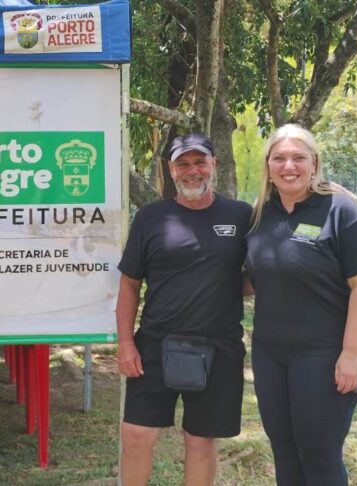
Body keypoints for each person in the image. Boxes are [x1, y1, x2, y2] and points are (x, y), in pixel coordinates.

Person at [245, 124, 357, 485]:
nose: (288, 165)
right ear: (268, 165)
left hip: (325, 355)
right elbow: (254, 278)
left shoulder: (340, 210)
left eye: (298, 157)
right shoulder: (261, 213)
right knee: (286, 455)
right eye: (279, 158)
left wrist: (353, 354)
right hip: (271, 355)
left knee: (319, 457)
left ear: (314, 163)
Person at [116, 133, 252, 485]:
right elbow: (130, 283)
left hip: (219, 346)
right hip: (155, 345)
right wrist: (126, 344)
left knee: (201, 440)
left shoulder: (241, 215)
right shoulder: (150, 217)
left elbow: (258, 275)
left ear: (213, 164)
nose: (192, 171)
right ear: (171, 170)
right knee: (136, 435)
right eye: (183, 163)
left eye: (199, 162)